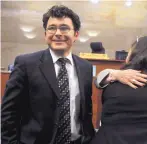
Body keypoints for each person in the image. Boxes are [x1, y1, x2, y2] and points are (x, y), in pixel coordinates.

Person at [1, 5, 95, 144]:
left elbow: (85, 113)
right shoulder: (26, 64)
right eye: (52, 28)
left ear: (76, 35)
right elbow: (9, 113)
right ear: (45, 34)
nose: (57, 33)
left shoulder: (85, 67)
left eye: (64, 28)